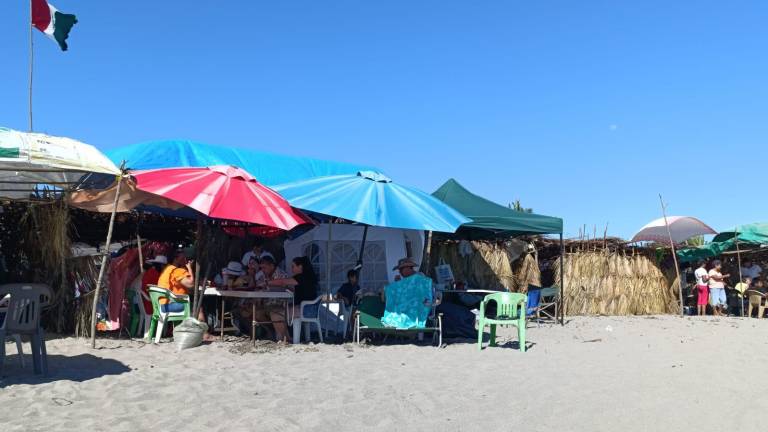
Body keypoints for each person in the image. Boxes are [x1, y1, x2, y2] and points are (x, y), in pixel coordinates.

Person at [265, 256, 318, 342]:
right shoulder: (307, 277)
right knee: (277, 311)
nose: (291, 268)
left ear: (300, 266)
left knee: (275, 313)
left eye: (293, 266)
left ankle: (282, 338)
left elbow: (282, 281)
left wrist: (267, 282)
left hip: (305, 309)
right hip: (310, 308)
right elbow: (301, 290)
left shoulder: (300, 277)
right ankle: (286, 338)